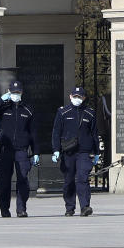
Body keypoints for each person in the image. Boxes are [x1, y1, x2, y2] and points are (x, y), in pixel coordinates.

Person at [0, 81, 39, 218]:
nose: (16, 95)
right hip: (6, 149)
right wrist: (0, 100)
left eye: (18, 92)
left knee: (23, 179)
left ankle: (21, 208)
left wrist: (36, 152)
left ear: (22, 93)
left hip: (21, 149)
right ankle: (4, 209)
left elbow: (33, 133)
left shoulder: (28, 109)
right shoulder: (3, 107)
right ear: (9, 92)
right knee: (4, 180)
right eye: (13, 92)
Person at [51, 87, 100, 217]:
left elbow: (94, 133)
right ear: (70, 96)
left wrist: (96, 152)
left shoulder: (90, 113)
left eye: (80, 96)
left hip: (84, 152)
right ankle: (70, 207)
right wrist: (56, 150)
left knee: (83, 178)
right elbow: (56, 132)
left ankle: (85, 206)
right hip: (68, 152)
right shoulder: (63, 112)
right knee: (69, 181)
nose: (77, 98)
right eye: (75, 96)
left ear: (84, 98)